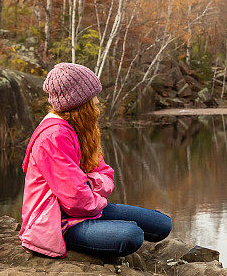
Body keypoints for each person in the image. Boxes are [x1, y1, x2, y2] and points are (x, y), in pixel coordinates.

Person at [19, 62, 171, 258]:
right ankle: (79, 238)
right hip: (56, 221)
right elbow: (76, 200)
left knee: (162, 225)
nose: (97, 102)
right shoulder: (54, 136)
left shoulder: (80, 129)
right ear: (78, 103)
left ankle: (100, 229)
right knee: (132, 235)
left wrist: (89, 185)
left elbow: (106, 173)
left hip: (87, 208)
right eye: (93, 97)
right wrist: (92, 192)